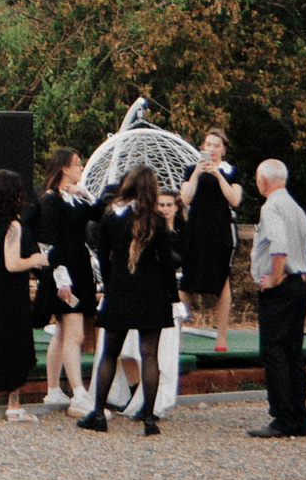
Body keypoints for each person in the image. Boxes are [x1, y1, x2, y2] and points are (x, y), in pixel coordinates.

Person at [78, 167, 179, 437]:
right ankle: (149, 419)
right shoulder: (156, 220)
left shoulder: (112, 216)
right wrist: (174, 297)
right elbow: (167, 263)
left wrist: (110, 285)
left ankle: (98, 413)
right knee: (150, 355)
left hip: (121, 289)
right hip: (152, 291)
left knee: (110, 353)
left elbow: (102, 256)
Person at [0, 170, 50, 420]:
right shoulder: (13, 225)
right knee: (16, 345)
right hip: (10, 292)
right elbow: (12, 263)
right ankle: (13, 405)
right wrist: (35, 259)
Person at [248, 156, 306, 439]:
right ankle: (299, 415)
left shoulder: (271, 206)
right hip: (299, 283)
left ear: (263, 181)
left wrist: (273, 277)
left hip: (282, 287)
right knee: (293, 352)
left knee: (273, 351)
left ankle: (282, 416)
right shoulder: (296, 208)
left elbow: (280, 246)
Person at [30, 147, 95, 412]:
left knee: (61, 332)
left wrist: (86, 195)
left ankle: (54, 389)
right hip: (63, 271)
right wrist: (60, 278)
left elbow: (99, 216)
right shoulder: (51, 199)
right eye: (77, 164)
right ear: (64, 168)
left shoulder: (76, 198)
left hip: (80, 264)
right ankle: (78, 392)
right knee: (75, 334)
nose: (81, 168)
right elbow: (49, 242)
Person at [178, 129, 246, 350]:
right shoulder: (191, 169)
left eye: (217, 145)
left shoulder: (231, 171)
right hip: (195, 230)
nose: (212, 149)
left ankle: (222, 336)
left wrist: (218, 175)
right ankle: (175, 334)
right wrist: (198, 172)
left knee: (223, 281)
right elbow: (185, 198)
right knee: (187, 282)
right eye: (208, 144)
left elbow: (235, 200)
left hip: (219, 231)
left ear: (224, 148)